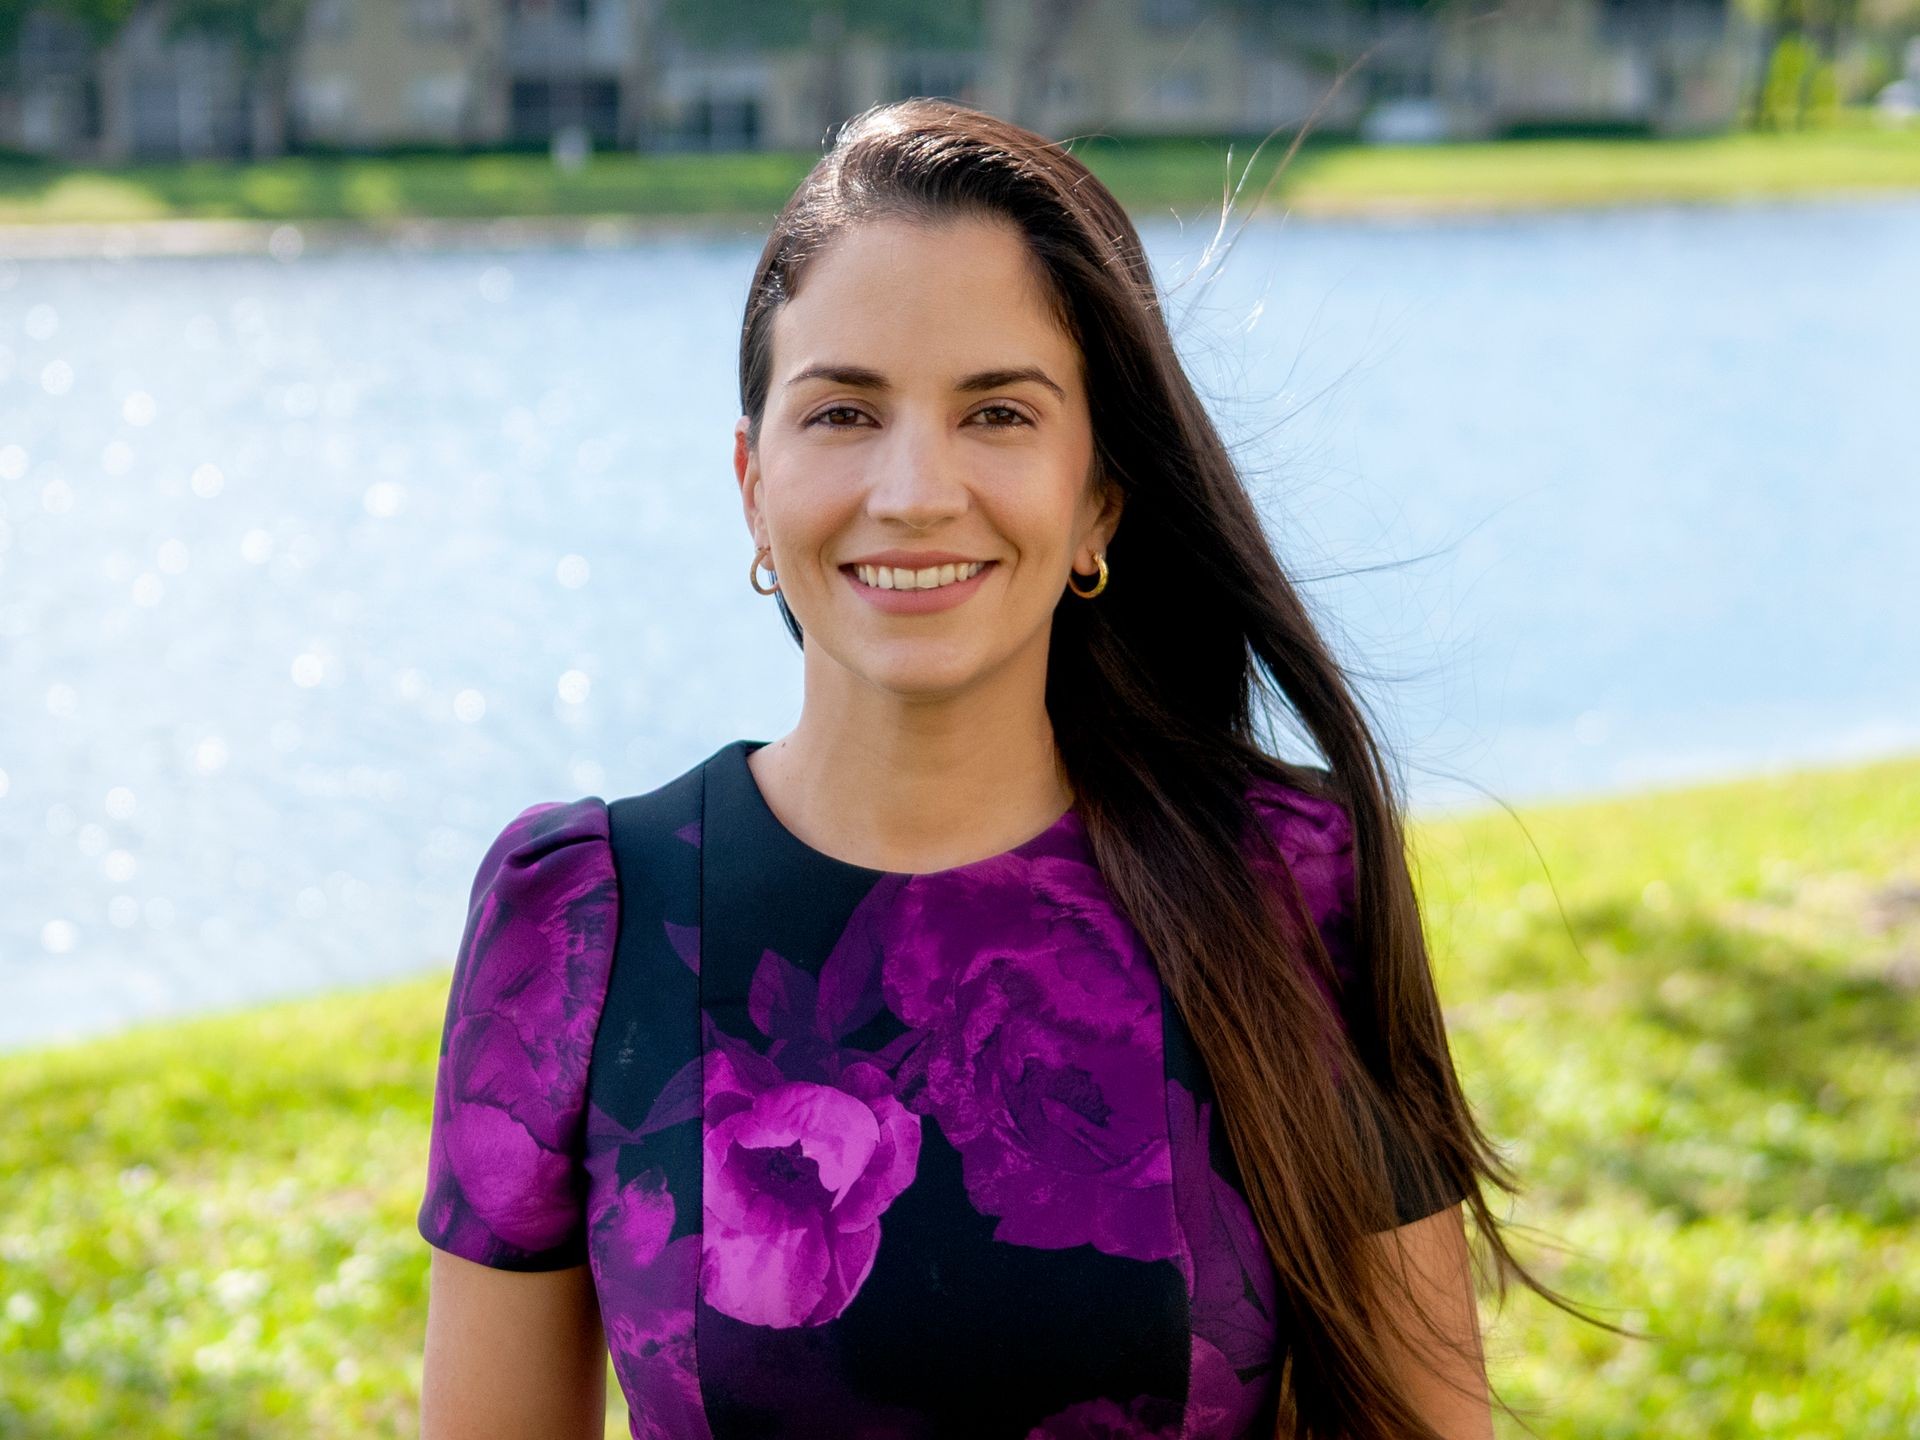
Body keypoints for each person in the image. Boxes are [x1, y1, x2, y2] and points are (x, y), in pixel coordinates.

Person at [417, 98, 1549, 1440]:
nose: (914, 491)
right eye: (844, 412)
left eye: (998, 413)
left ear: (1098, 499)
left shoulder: (1286, 884)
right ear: (752, 483)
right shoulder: (581, 921)